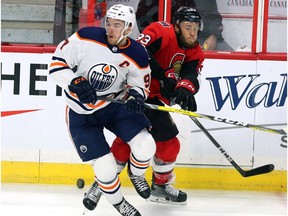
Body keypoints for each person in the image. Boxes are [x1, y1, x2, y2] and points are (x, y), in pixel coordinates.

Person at [83, 6, 205, 208]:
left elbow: (191, 74)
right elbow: (138, 51)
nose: (193, 33)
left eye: (196, 28)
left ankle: (159, 185)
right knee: (126, 143)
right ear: (176, 26)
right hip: (133, 92)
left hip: (154, 101)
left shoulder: (195, 51)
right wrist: (162, 76)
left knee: (168, 146)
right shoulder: (161, 30)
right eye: (188, 27)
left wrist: (185, 89)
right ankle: (102, 183)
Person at [49, 4, 156, 216]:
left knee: (146, 145)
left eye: (117, 25)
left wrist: (136, 96)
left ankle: (136, 174)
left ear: (128, 28)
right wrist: (76, 82)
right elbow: (56, 66)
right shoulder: (85, 37)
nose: (110, 28)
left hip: (113, 106)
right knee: (105, 167)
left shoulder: (137, 53)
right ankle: (120, 204)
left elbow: (139, 84)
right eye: (108, 23)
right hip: (80, 112)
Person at [136, 0, 233, 51]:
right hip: (168, 41)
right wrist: (160, 40)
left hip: (200, 38)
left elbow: (213, 16)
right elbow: (143, 18)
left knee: (227, 50)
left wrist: (213, 35)